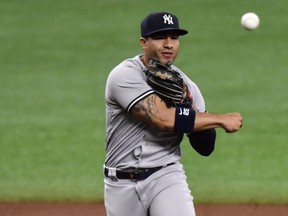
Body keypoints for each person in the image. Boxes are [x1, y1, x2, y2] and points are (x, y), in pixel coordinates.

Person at [104, 11, 242, 216]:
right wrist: (220, 119)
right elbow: (162, 118)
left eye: (174, 38)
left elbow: (205, 147)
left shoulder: (187, 87)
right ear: (143, 42)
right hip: (120, 183)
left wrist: (185, 103)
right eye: (160, 37)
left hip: (166, 176)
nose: (168, 44)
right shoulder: (124, 75)